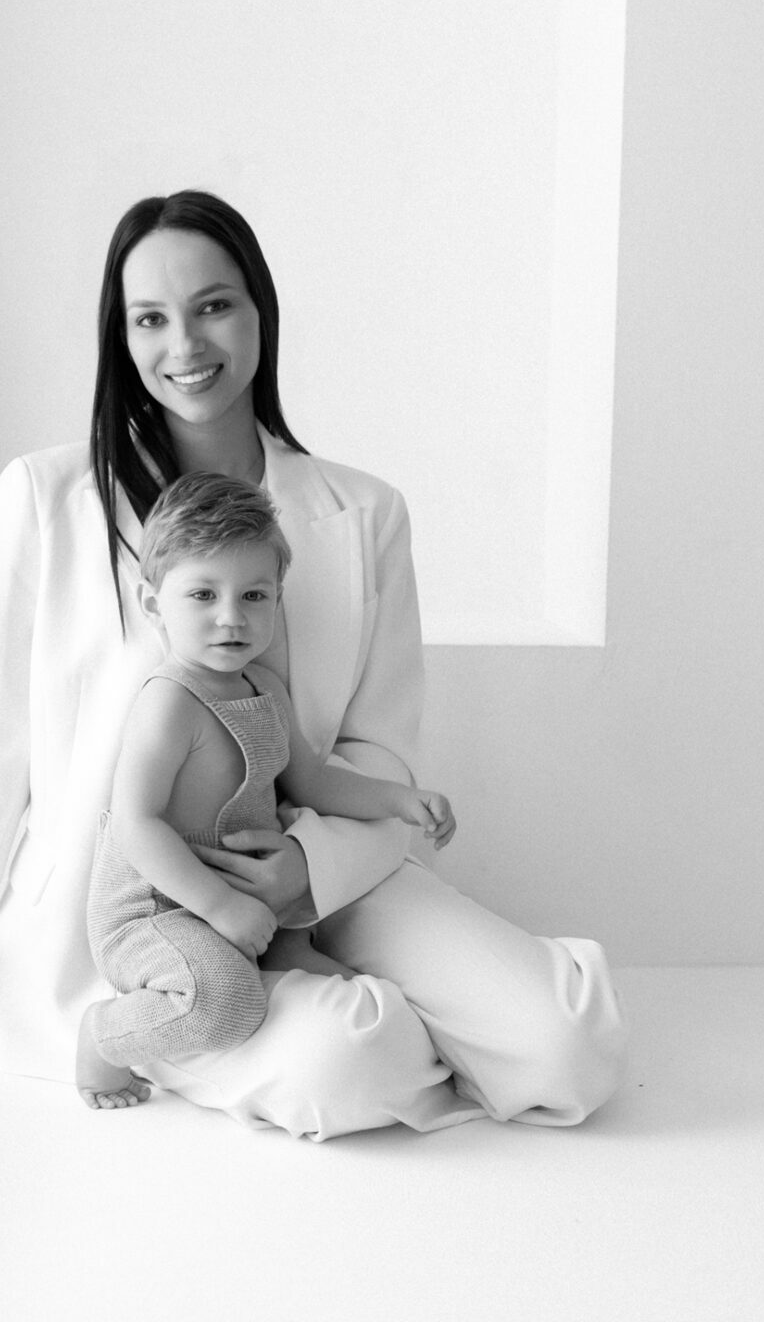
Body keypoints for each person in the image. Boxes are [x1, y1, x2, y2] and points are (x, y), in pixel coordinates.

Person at [0, 188, 627, 1140]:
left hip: (323, 870)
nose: (184, 344)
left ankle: (407, 1010)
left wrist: (305, 868)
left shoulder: (364, 512)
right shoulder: (46, 498)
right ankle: (372, 1028)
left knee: (564, 1047)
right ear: (122, 337)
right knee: (347, 1060)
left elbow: (377, 746)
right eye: (150, 318)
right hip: (147, 910)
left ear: (261, 311)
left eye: (213, 305)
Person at [77, 470, 454, 1110]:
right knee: (228, 1000)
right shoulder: (168, 701)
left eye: (254, 595)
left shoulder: (265, 689)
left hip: (246, 899)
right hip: (157, 909)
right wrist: (220, 905)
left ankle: (397, 1056)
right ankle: (102, 1038)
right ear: (153, 605)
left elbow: (311, 780)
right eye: (203, 595)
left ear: (278, 600)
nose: (232, 617)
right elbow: (136, 824)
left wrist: (398, 800)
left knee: (358, 987)